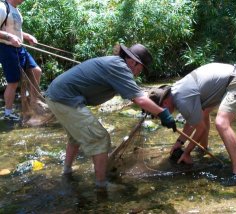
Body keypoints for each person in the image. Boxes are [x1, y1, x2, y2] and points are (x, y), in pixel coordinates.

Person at [45, 43, 176, 190]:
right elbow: (138, 99)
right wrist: (163, 113)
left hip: (57, 95)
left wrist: (151, 107)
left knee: (76, 136)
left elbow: (136, 94)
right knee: (100, 137)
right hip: (64, 98)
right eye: (141, 68)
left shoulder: (116, 64)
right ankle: (101, 184)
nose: (139, 73)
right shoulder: (119, 67)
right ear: (133, 62)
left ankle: (67, 172)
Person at [148, 63, 236, 186]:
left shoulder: (181, 100)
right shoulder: (176, 93)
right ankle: (204, 149)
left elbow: (200, 129)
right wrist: (179, 142)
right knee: (203, 113)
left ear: (164, 103)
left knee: (221, 122)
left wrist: (186, 153)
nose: (161, 116)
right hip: (225, 80)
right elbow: (192, 121)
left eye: (159, 113)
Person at [0, 0, 42, 121]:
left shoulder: (16, 10)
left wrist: (28, 37)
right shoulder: (2, 7)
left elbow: (16, 30)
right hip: (6, 48)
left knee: (36, 71)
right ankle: (8, 113)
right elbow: (9, 34)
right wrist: (9, 37)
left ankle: (34, 102)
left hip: (19, 48)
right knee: (13, 82)